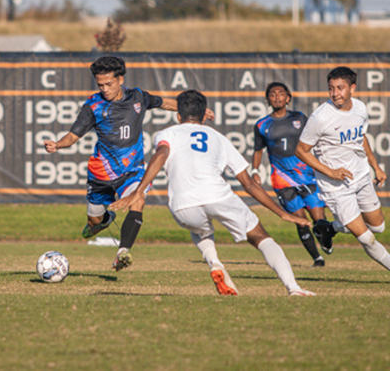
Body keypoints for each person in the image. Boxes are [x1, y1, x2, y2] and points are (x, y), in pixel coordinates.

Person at [111, 90, 315, 296]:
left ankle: (215, 262)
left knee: (200, 229)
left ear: (178, 116)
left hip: (182, 205)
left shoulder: (166, 134)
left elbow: (161, 154)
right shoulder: (219, 138)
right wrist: (281, 213)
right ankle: (293, 287)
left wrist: (139, 191)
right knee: (260, 237)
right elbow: (249, 185)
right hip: (218, 196)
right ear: (203, 115)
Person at [44, 56, 203, 271]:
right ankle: (105, 220)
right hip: (100, 174)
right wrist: (57, 145)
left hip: (132, 171)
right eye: (100, 85)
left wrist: (192, 115)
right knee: (94, 222)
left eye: (109, 84)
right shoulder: (93, 105)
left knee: (138, 200)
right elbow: (73, 136)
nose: (105, 89)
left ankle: (123, 252)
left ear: (120, 80)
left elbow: (164, 103)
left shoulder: (137, 97)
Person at [296, 66, 390, 284]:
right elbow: (301, 150)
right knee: (367, 238)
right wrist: (331, 172)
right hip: (335, 187)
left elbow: (361, 138)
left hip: (361, 176)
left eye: (340, 88)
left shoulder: (360, 108)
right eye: (331, 88)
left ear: (352, 88)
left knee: (378, 227)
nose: (335, 93)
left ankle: (328, 228)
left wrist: (376, 166)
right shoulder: (320, 117)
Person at [252, 82, 327, 267]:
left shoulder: (300, 118)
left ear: (288, 98)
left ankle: (326, 239)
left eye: (281, 94)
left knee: (319, 218)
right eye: (272, 94)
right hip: (282, 179)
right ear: (267, 99)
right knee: (300, 221)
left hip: (306, 175)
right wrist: (254, 171)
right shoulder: (262, 124)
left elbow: (313, 140)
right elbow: (258, 150)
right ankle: (317, 259)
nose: (277, 97)